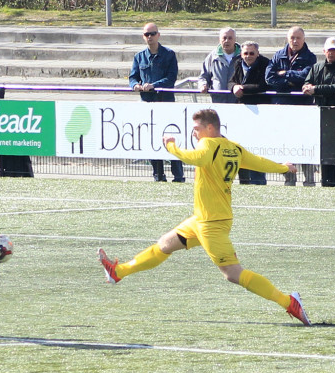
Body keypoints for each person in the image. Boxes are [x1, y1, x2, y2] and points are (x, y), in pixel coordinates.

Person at [97, 108, 310, 326]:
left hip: (211, 224)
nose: (194, 133)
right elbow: (259, 162)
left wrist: (171, 146)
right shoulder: (234, 148)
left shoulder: (207, 144)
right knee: (164, 245)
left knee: (233, 273)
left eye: (197, 129)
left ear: (209, 127)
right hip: (203, 219)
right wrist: (283, 168)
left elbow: (197, 158)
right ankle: (118, 272)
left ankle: (288, 302)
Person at [129, 22, 184, 182]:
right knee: (152, 140)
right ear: (143, 37)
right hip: (147, 105)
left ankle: (178, 175)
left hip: (165, 104)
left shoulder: (169, 54)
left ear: (158, 35)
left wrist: (154, 85)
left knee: (172, 140)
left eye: (152, 34)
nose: (150, 37)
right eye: (147, 34)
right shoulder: (139, 56)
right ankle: (158, 175)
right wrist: (135, 85)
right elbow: (133, 77)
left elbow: (171, 78)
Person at [266, 26, 316, 185]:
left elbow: (305, 76)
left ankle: (309, 180)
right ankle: (289, 179)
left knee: (304, 144)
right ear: (287, 39)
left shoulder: (310, 57)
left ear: (304, 39)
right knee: (285, 144)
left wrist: (284, 74)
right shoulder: (278, 55)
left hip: (302, 108)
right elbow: (269, 78)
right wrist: (290, 82)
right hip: (282, 107)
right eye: (292, 38)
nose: (295, 41)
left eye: (298, 38)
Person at [303, 37, 335, 187]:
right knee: (325, 151)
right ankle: (328, 182)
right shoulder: (316, 67)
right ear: (324, 51)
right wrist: (307, 87)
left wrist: (315, 89)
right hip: (321, 115)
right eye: (329, 50)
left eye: (334, 51)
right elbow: (307, 81)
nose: (331, 53)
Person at [229, 40, 270, 185]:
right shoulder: (238, 63)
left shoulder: (265, 64)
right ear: (241, 54)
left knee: (257, 149)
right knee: (241, 148)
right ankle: (244, 181)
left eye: (252, 53)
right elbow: (231, 81)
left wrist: (243, 89)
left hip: (259, 111)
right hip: (241, 112)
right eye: (245, 53)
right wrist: (234, 87)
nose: (248, 56)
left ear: (257, 53)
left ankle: (259, 181)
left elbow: (264, 85)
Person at [197, 27, 242, 105]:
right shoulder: (213, 56)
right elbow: (203, 76)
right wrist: (203, 85)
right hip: (218, 101)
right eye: (224, 38)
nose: (227, 41)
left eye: (230, 38)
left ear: (235, 39)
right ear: (219, 39)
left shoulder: (244, 55)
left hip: (238, 101)